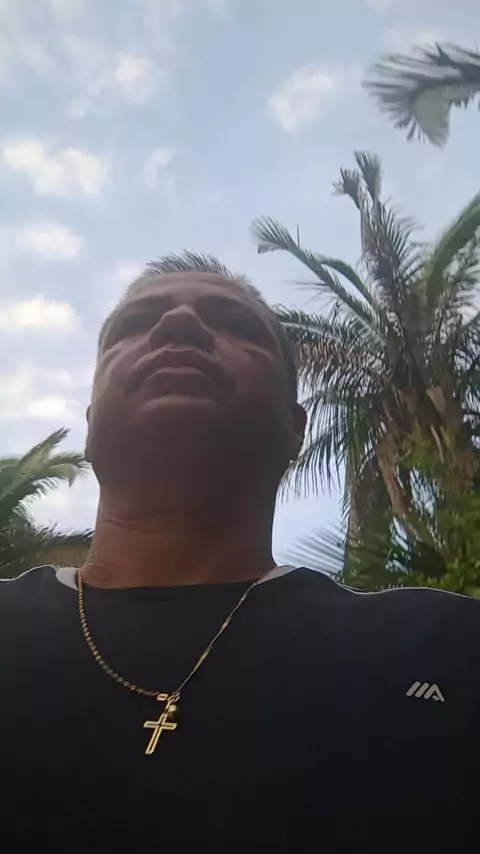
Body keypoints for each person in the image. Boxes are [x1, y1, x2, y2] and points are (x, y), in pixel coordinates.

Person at [1, 254, 479, 853]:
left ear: (296, 428)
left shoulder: (449, 651)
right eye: (137, 323)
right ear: (92, 423)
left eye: (233, 323)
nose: (178, 325)